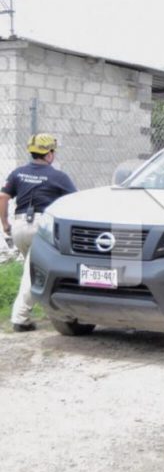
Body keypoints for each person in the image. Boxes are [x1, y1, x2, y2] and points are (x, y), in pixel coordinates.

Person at [0, 134, 77, 332]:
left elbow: (3, 197)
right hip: (41, 227)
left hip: (18, 227)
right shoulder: (58, 176)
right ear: (49, 154)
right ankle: (20, 318)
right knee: (34, 273)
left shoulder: (18, 173)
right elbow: (73, 202)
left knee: (33, 270)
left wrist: (5, 223)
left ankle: (43, 309)